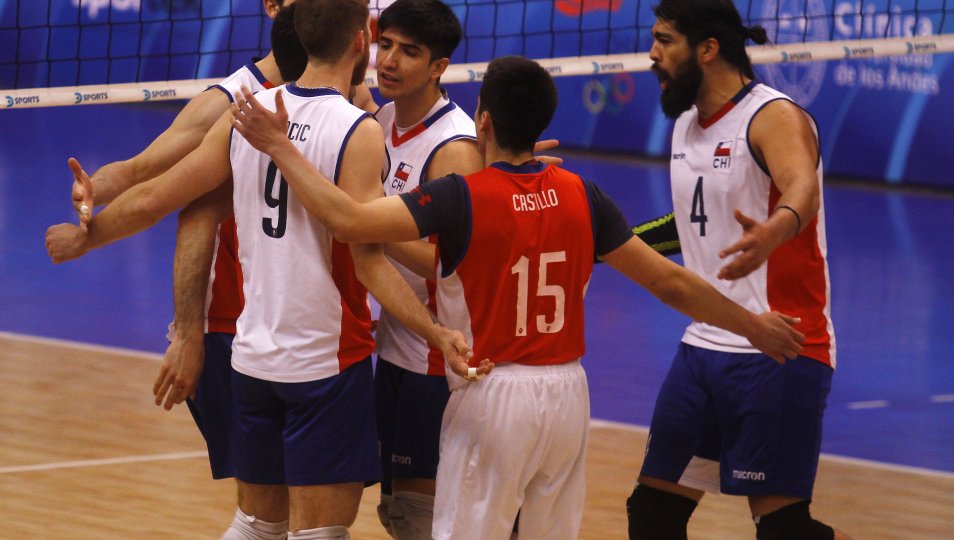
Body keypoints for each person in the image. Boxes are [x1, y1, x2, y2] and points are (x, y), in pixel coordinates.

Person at [226, 54, 805, 540]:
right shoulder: (583, 193)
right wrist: (752, 326)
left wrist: (281, 146)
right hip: (569, 397)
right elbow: (670, 282)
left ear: (482, 119)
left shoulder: (459, 197)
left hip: (491, 391)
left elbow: (348, 221)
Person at [46, 0, 477, 540]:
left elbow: (162, 195)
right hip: (326, 359)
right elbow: (367, 253)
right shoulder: (359, 131)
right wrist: (432, 325)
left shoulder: (247, 113)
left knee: (256, 525)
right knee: (321, 533)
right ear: (360, 42)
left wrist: (88, 236)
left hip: (252, 358)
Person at [54, 0, 347, 540]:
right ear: (273, 9)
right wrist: (94, 200)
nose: (324, 10)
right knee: (276, 517)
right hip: (240, 332)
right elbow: (148, 176)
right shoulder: (233, 103)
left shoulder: (353, 97)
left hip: (321, 333)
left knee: (303, 516)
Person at [625, 0, 851, 540]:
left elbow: (801, 187)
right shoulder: (685, 124)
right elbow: (693, 226)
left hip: (779, 344)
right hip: (706, 341)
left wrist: (777, 226)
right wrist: (610, 243)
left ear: (706, 49)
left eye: (664, 40)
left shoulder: (773, 116)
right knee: (651, 515)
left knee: (783, 530)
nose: (651, 53)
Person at [365, 0, 482, 539]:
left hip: (435, 358)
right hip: (393, 345)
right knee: (395, 509)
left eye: (408, 52)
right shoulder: (377, 118)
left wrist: (368, 224)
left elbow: (455, 263)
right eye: (384, 44)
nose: (388, 61)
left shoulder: (453, 147)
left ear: (439, 67)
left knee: (421, 515)